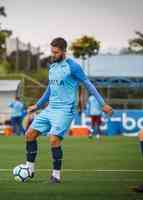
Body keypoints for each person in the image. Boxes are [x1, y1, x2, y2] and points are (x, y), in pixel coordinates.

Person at [25, 37, 113, 183]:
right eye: (52, 52)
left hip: (65, 110)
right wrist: (38, 105)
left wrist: (102, 103)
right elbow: (50, 89)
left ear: (64, 51)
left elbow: (88, 84)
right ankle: (29, 170)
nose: (53, 55)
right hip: (50, 108)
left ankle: (56, 176)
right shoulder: (52, 67)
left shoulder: (73, 67)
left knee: (53, 139)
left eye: (56, 52)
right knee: (30, 134)